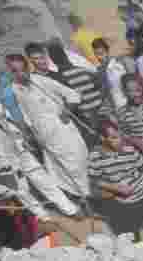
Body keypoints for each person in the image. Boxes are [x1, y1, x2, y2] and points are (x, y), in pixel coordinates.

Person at [6, 52, 91, 202]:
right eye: (14, 71)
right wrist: (30, 135)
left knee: (78, 160)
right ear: (10, 72)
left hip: (64, 129)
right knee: (61, 169)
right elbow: (24, 116)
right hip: (45, 136)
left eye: (22, 69)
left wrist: (67, 110)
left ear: (27, 68)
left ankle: (89, 193)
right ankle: (80, 197)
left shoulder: (42, 81)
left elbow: (73, 95)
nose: (20, 74)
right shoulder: (14, 90)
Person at [89, 118, 143, 254]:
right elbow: (95, 181)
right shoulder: (95, 157)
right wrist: (115, 188)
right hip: (124, 203)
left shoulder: (129, 149)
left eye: (119, 136)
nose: (120, 141)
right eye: (114, 138)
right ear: (102, 138)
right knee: (132, 241)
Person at [47, 40, 103, 140]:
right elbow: (101, 86)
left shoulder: (59, 79)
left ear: (52, 59)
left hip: (86, 121)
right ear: (65, 55)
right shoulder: (85, 71)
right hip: (101, 114)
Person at [93, 37, 128, 113]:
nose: (99, 57)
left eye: (101, 54)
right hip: (117, 107)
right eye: (96, 54)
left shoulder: (119, 63)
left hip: (128, 102)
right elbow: (104, 91)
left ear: (107, 51)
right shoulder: (99, 71)